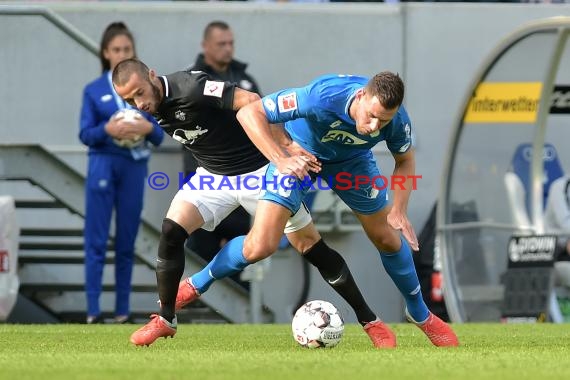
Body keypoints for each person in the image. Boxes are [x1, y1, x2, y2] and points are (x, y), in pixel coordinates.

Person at [113, 58, 394, 347]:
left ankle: (370, 321)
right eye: (129, 99)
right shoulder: (153, 108)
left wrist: (283, 149)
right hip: (213, 176)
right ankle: (165, 319)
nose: (138, 103)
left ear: (151, 75)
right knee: (171, 231)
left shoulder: (191, 87)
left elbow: (253, 103)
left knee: (311, 246)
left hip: (259, 171)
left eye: (139, 92)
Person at [174, 72, 459, 347]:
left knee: (387, 236)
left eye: (382, 121)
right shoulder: (321, 95)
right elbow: (249, 113)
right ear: (361, 96)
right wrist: (282, 157)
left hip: (351, 163)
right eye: (371, 116)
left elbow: (405, 161)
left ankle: (420, 314)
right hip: (300, 154)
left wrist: (399, 209)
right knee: (260, 245)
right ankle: (197, 283)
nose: (374, 126)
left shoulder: (396, 121)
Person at [79, 22, 164, 324]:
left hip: (134, 167)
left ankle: (122, 312)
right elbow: (85, 134)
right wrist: (108, 129)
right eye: (116, 49)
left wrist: (147, 127)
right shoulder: (94, 90)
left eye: (126, 49)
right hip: (103, 163)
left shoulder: (145, 91)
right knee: (96, 241)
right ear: (105, 53)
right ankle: (92, 311)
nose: (121, 54)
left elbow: (160, 136)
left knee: (127, 242)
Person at [183, 21, 262, 286]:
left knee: (242, 259)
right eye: (221, 44)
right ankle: (198, 315)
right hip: (209, 181)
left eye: (231, 43)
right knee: (200, 254)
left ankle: (240, 320)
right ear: (205, 46)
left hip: (245, 180)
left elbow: (261, 116)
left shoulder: (245, 79)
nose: (228, 49)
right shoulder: (191, 81)